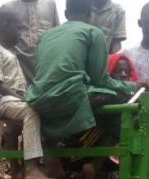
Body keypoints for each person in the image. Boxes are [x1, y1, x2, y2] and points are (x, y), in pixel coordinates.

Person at [25, 0, 141, 141]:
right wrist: (135, 86)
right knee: (127, 100)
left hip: (38, 100)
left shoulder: (45, 36)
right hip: (70, 97)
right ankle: (108, 157)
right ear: (91, 13)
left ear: (66, 13)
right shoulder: (93, 32)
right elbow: (101, 80)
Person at [0, 7, 53, 179]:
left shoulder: (10, 53)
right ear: (5, 26)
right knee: (31, 111)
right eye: (17, 28)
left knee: (14, 128)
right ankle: (31, 166)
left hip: (12, 100)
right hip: (2, 100)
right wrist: (24, 100)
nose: (20, 33)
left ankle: (16, 170)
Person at [0, 0, 60, 84]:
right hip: (20, 64)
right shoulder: (8, 7)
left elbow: (58, 32)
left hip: (46, 64)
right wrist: (4, 49)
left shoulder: (50, 4)